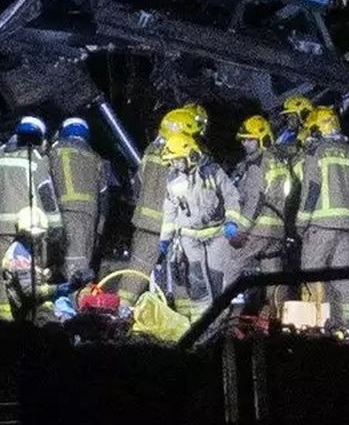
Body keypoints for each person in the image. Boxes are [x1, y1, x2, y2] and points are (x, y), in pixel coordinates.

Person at [298, 106, 349, 333]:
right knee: (342, 278)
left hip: (320, 226)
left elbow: (311, 190)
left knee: (311, 274)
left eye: (312, 130)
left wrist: (301, 223)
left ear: (318, 129)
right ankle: (345, 326)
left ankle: (314, 325)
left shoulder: (316, 152)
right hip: (347, 228)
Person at [0, 116, 62, 317]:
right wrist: (56, 225)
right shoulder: (37, 161)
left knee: (4, 278)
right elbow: (47, 195)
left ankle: (3, 322)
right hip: (33, 230)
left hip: (3, 230)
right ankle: (32, 320)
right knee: (34, 276)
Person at [158, 132, 244, 321]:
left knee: (216, 277)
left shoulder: (212, 171)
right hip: (189, 237)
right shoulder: (173, 179)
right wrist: (165, 240)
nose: (175, 164)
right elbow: (170, 211)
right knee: (197, 281)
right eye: (172, 161)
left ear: (191, 154)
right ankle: (201, 323)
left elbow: (231, 196)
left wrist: (231, 222)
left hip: (216, 235)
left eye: (178, 159)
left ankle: (220, 321)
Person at [121, 107, 201, 300]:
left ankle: (124, 307)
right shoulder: (182, 156)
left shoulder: (151, 150)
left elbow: (138, 182)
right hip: (168, 225)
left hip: (144, 222)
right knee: (179, 273)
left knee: (137, 269)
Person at [230, 115, 297, 316]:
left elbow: (254, 199)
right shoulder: (278, 161)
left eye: (250, 139)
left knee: (230, 266)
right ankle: (274, 319)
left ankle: (229, 316)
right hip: (277, 230)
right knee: (273, 277)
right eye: (243, 140)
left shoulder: (257, 163)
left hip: (258, 229)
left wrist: (241, 230)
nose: (245, 144)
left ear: (263, 139)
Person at [50, 116, 109, 286]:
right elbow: (104, 196)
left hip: (62, 211)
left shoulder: (56, 151)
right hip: (89, 217)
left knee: (68, 266)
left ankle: (75, 300)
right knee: (81, 262)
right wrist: (99, 227)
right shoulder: (96, 158)